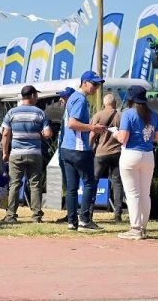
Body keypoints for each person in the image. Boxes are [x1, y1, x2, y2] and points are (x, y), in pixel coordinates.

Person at [114, 85, 158, 240]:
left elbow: (123, 138)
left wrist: (115, 133)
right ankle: (143, 227)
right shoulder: (152, 114)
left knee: (132, 194)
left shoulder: (128, 114)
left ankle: (135, 229)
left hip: (131, 154)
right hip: (148, 155)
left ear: (130, 98)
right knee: (144, 194)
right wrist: (147, 138)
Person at [60, 71, 106, 232]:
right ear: (84, 82)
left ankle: (72, 222)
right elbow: (72, 123)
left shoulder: (72, 97)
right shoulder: (80, 99)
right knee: (89, 183)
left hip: (67, 148)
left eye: (98, 85)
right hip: (78, 149)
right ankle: (85, 220)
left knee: (71, 188)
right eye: (94, 84)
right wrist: (93, 128)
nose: (96, 88)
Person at [1, 86, 52, 223]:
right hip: (35, 153)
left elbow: (5, 134)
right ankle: (36, 216)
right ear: (33, 95)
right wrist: (42, 134)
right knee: (35, 184)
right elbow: (48, 133)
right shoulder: (40, 113)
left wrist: (5, 152)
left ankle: (11, 215)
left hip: (16, 153)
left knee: (14, 184)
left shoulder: (11, 113)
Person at [89, 93, 124, 222]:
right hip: (117, 153)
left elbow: (92, 135)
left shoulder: (98, 115)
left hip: (100, 153)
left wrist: (89, 148)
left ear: (104, 104)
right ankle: (118, 214)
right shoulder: (121, 116)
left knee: (94, 181)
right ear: (115, 103)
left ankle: (90, 212)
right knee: (117, 182)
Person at [54, 87, 75, 223]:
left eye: (63, 97)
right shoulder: (65, 113)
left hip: (69, 151)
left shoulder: (72, 112)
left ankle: (71, 215)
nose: (61, 99)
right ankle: (70, 213)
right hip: (62, 151)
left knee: (70, 185)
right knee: (67, 185)